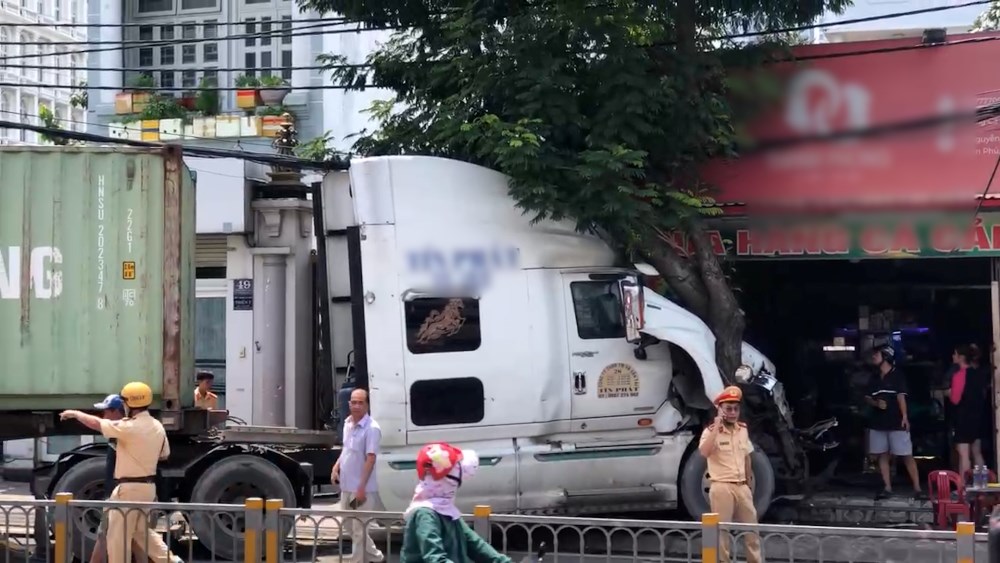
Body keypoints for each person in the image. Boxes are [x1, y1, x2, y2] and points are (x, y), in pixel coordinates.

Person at [60, 382, 179, 563]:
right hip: (147, 489)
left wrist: (76, 413)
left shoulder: (129, 427)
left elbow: (98, 424)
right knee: (141, 533)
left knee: (117, 538)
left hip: (129, 489)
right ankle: (172, 561)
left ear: (129, 403)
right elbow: (164, 455)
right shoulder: (157, 426)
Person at [400, 442, 511, 563]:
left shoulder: (447, 511)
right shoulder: (425, 515)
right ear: (448, 480)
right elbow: (434, 557)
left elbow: (475, 544)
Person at [698, 385, 761, 563]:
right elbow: (704, 452)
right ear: (720, 410)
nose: (733, 413)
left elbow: (747, 457)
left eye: (736, 409)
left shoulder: (742, 430)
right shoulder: (710, 432)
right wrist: (717, 426)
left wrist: (747, 483)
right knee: (721, 532)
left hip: (741, 486)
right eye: (728, 409)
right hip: (721, 487)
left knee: (752, 530)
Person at [330, 389, 384, 563]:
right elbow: (346, 449)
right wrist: (336, 467)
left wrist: (361, 487)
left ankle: (358, 560)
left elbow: (371, 458)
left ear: (367, 405)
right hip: (347, 487)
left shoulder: (372, 428)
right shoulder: (348, 423)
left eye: (360, 402)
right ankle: (376, 557)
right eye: (354, 402)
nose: (356, 406)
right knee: (347, 522)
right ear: (349, 404)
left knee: (359, 528)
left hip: (362, 490)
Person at [864, 345, 924, 500]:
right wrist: (876, 403)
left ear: (885, 356)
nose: (873, 357)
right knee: (882, 455)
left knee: (906, 455)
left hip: (896, 421)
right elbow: (867, 397)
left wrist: (904, 417)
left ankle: (918, 489)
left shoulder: (897, 375)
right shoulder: (874, 377)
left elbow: (901, 397)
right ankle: (887, 488)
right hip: (878, 423)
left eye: (876, 354)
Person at [951, 345, 987, 478]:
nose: (953, 356)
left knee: (964, 454)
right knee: (977, 452)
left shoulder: (959, 375)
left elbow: (955, 400)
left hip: (964, 418)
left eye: (955, 354)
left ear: (961, 358)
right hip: (978, 416)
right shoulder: (978, 374)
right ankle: (982, 483)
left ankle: (964, 485)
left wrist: (949, 393)